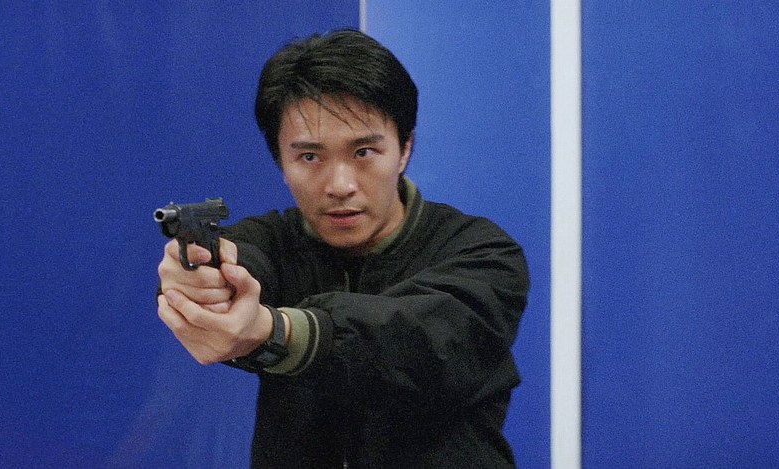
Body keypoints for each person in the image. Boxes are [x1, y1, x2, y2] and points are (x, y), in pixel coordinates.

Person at [157, 29, 530, 468]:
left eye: (364, 152)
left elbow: (418, 340)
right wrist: (203, 283)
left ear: (405, 148)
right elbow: (240, 260)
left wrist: (276, 331)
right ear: (281, 162)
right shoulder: (271, 243)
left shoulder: (483, 254)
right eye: (310, 157)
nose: (340, 185)